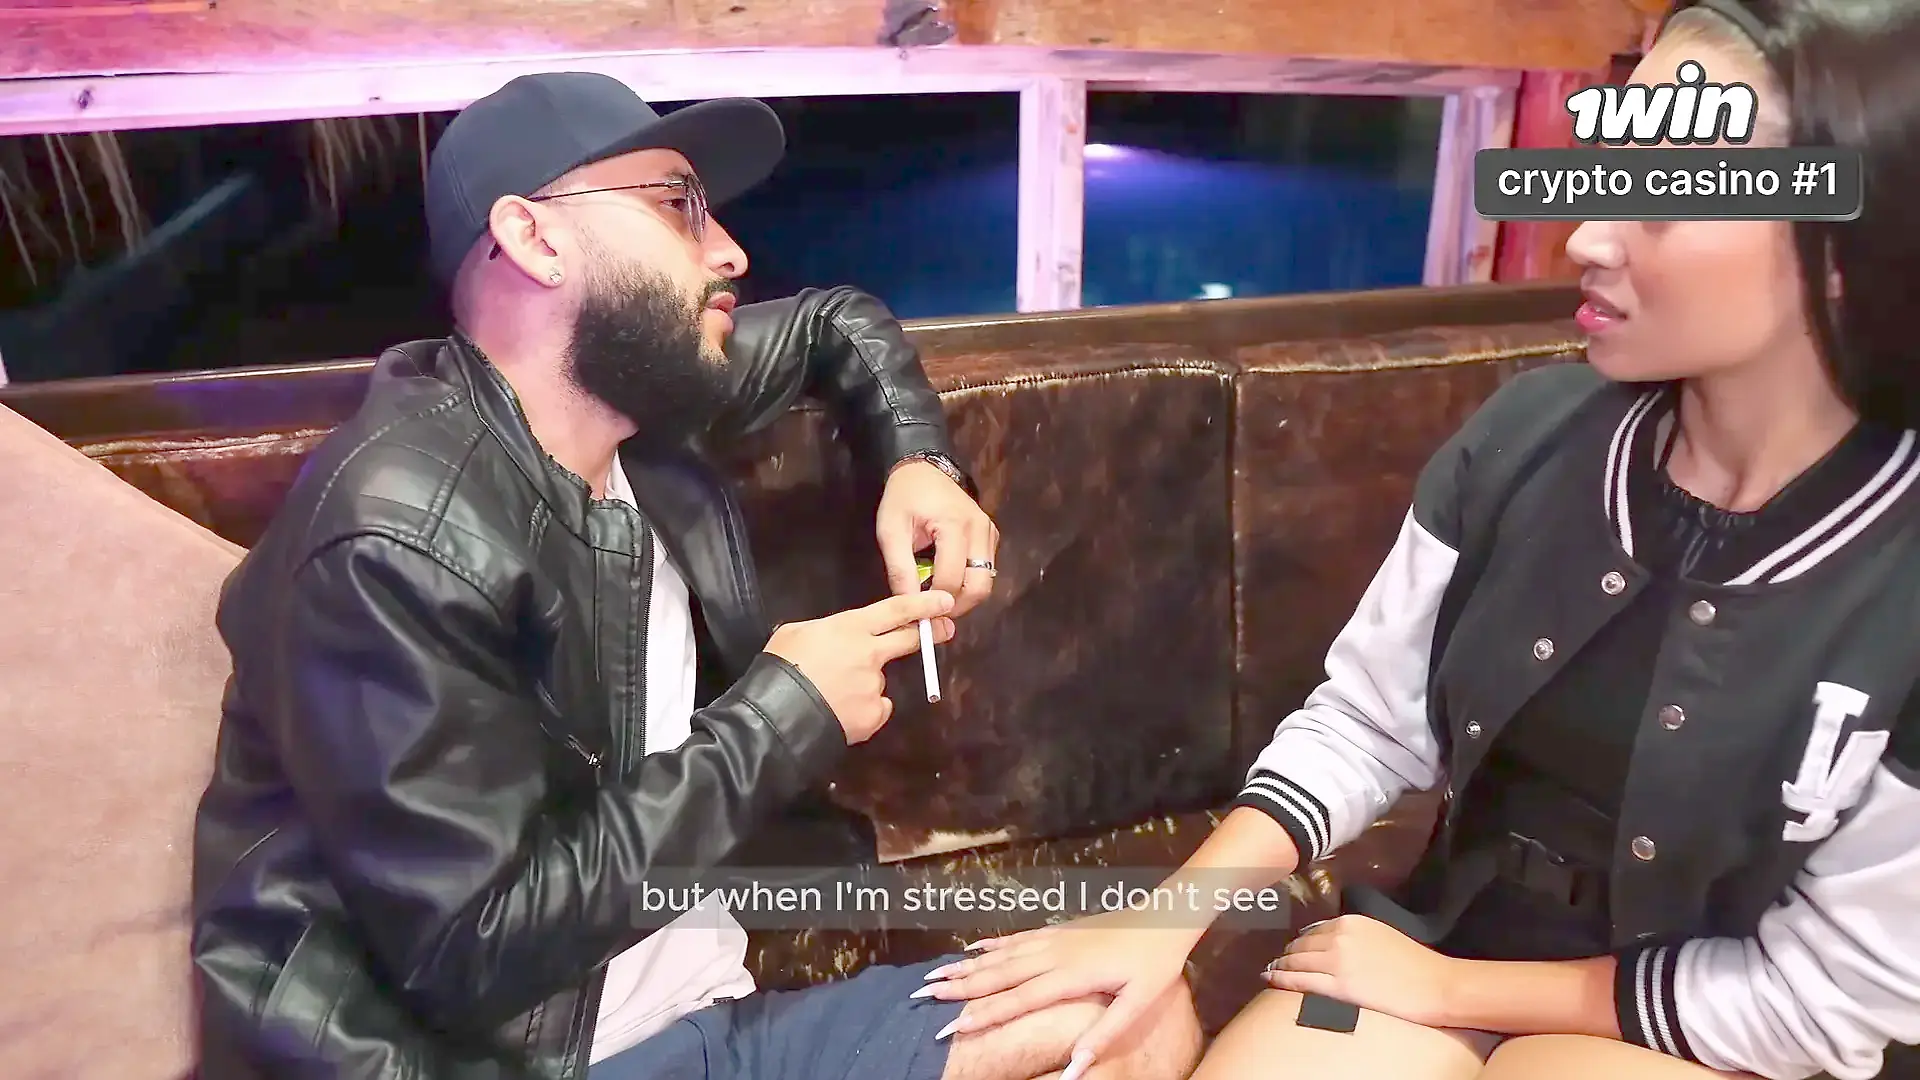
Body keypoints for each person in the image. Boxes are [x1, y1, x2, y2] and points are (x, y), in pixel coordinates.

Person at [916, 2, 1920, 1079]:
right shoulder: (1527, 436)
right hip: (1450, 938)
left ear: (1847, 247)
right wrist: (1163, 920)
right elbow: (1371, 721)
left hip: (1708, 1022)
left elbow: (1823, 995)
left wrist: (1457, 993)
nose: (1587, 233)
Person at [188, 72, 1204, 1080]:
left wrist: (920, 462)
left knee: (1132, 1015)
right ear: (534, 238)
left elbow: (834, 321)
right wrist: (780, 718)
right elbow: (472, 950)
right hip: (517, 1061)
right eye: (678, 207)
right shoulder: (399, 534)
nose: (728, 250)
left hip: (702, 1018)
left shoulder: (633, 400)